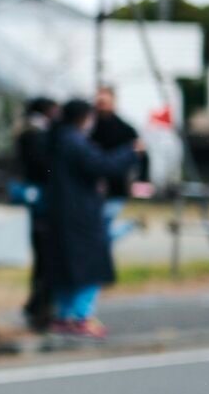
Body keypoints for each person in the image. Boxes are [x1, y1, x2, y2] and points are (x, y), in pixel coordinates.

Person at [45, 98, 146, 339]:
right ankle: (82, 317)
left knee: (66, 268)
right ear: (83, 118)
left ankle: (64, 316)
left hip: (59, 212)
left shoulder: (55, 140)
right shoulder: (76, 142)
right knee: (90, 267)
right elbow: (102, 165)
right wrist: (130, 152)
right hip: (82, 214)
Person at [13, 96, 58, 332]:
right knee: (45, 258)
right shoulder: (37, 135)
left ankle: (36, 305)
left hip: (33, 201)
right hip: (43, 203)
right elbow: (44, 166)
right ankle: (39, 308)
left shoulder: (24, 132)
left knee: (41, 258)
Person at [89, 86, 141, 245]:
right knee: (97, 233)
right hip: (92, 187)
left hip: (115, 187)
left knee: (101, 233)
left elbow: (137, 156)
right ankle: (131, 226)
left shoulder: (125, 130)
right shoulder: (88, 128)